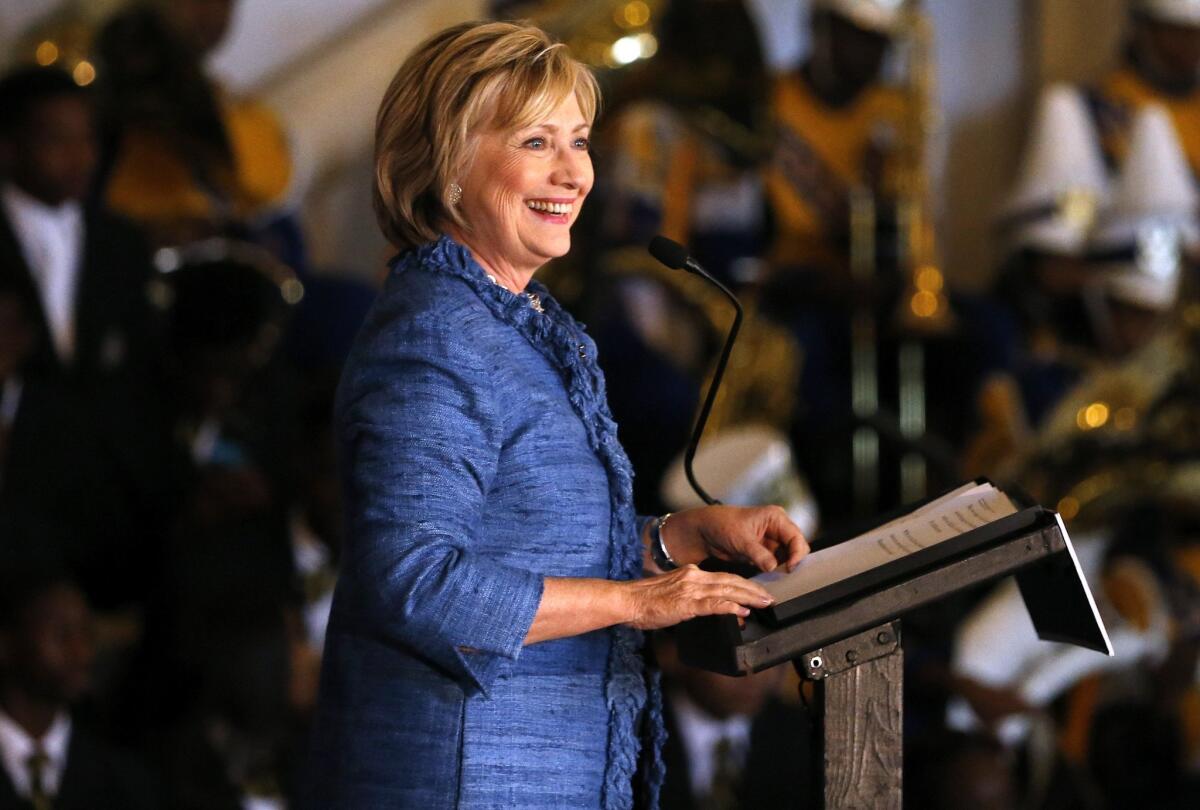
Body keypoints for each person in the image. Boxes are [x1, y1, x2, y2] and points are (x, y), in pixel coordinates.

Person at [306, 21, 809, 808]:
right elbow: (415, 581)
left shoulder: (512, 322)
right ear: (447, 168)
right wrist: (645, 603)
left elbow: (527, 543)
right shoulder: (435, 336)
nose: (574, 172)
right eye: (536, 142)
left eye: (579, 140)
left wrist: (674, 541)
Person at [0, 561, 156, 809]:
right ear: (7, 643)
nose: (82, 653)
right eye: (61, 635)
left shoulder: (125, 782)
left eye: (87, 634)